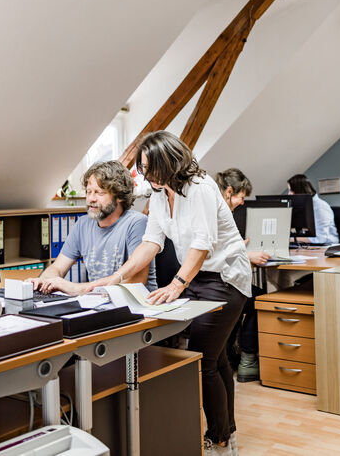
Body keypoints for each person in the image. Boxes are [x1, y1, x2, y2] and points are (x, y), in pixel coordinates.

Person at [102, 131, 250, 456]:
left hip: (226, 276)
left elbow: (202, 244)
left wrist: (176, 285)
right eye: (143, 169)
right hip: (195, 276)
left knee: (202, 359)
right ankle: (227, 436)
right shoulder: (159, 194)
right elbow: (151, 242)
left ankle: (218, 440)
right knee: (217, 358)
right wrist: (117, 276)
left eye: (151, 167)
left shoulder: (201, 188)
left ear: (170, 161)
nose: (147, 175)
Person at [28, 160, 156, 295]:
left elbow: (136, 281)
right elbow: (58, 268)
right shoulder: (82, 224)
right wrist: (44, 282)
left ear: (119, 196)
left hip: (136, 304)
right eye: (89, 192)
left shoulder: (137, 223)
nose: (91, 199)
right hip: (98, 302)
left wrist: (76, 289)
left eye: (99, 193)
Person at [215, 168, 270, 383]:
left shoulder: (221, 213)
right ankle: (248, 360)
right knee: (259, 299)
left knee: (251, 296)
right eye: (241, 197)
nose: (242, 202)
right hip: (220, 284)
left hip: (222, 282)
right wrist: (246, 256)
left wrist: (240, 249)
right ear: (229, 191)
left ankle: (234, 356)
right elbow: (215, 257)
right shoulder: (217, 214)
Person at [287, 174, 339, 245]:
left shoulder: (320, 207)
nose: (289, 194)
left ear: (299, 190)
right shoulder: (303, 206)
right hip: (309, 245)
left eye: (291, 190)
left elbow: (320, 239)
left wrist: (290, 239)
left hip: (327, 246)